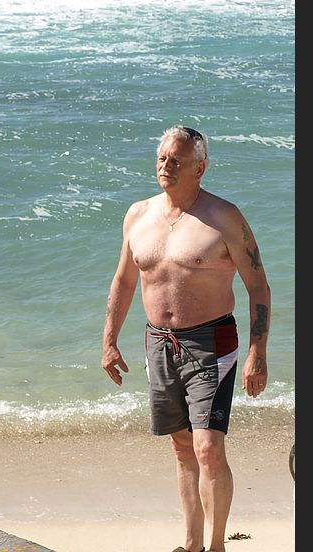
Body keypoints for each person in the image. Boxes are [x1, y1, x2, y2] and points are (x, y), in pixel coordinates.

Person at [101, 125, 270, 552]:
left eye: (176, 159)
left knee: (208, 445)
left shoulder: (224, 217)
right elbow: (123, 281)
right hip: (158, 341)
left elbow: (258, 288)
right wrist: (109, 340)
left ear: (200, 167)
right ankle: (191, 544)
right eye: (161, 158)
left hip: (212, 341)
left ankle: (217, 547)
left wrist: (257, 353)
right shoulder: (138, 215)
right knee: (181, 447)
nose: (166, 165)